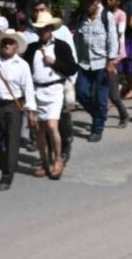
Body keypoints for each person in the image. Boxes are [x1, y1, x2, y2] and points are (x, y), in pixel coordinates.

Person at [22, 12, 78, 178]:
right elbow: (25, 71)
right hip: (37, 90)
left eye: (45, 28)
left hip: (54, 89)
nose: (43, 32)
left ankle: (58, 160)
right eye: (40, 29)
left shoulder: (61, 46)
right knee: (39, 130)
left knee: (52, 126)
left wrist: (54, 62)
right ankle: (45, 162)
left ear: (51, 29)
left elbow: (72, 68)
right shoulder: (32, 48)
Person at [0, 29, 36, 191]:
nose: (6, 45)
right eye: (4, 42)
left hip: (13, 106)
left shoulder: (22, 65)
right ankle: (6, 165)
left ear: (16, 46)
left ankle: (7, 176)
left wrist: (31, 110)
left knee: (12, 143)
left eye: (10, 43)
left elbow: (28, 88)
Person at [74, 0, 120, 140]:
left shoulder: (106, 16)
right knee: (81, 93)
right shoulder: (81, 18)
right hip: (84, 63)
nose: (88, 4)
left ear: (98, 1)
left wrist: (111, 61)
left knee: (100, 97)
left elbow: (113, 39)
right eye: (85, 1)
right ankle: (98, 115)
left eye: (91, 1)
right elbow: (77, 40)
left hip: (102, 63)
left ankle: (97, 129)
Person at [104, 0, 130, 127]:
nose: (108, 1)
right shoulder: (105, 14)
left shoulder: (121, 14)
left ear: (118, 1)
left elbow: (120, 32)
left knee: (113, 93)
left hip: (116, 53)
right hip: (105, 53)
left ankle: (124, 115)